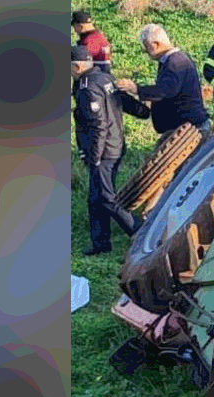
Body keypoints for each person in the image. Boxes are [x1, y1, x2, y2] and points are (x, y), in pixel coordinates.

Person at [72, 45, 150, 256]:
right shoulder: (104, 78)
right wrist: (143, 111)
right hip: (115, 144)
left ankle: (140, 233)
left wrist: (94, 158)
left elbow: (99, 125)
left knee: (107, 197)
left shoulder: (87, 88)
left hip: (104, 151)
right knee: (95, 197)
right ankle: (101, 243)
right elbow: (122, 100)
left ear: (77, 66)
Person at [116, 25, 212, 139]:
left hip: (188, 130)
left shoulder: (175, 62)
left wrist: (136, 89)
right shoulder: (176, 59)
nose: (145, 51)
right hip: (185, 127)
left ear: (155, 44)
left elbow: (164, 91)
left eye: (146, 46)